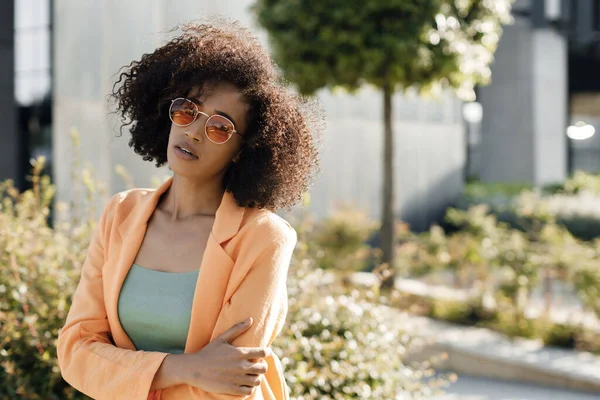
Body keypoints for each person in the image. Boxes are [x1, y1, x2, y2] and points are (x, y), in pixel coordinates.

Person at [56, 17, 321, 400]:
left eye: (220, 127)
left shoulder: (264, 237)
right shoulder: (121, 213)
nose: (194, 130)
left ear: (242, 152)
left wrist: (124, 373)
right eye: (187, 110)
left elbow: (230, 383)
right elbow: (75, 351)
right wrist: (187, 368)